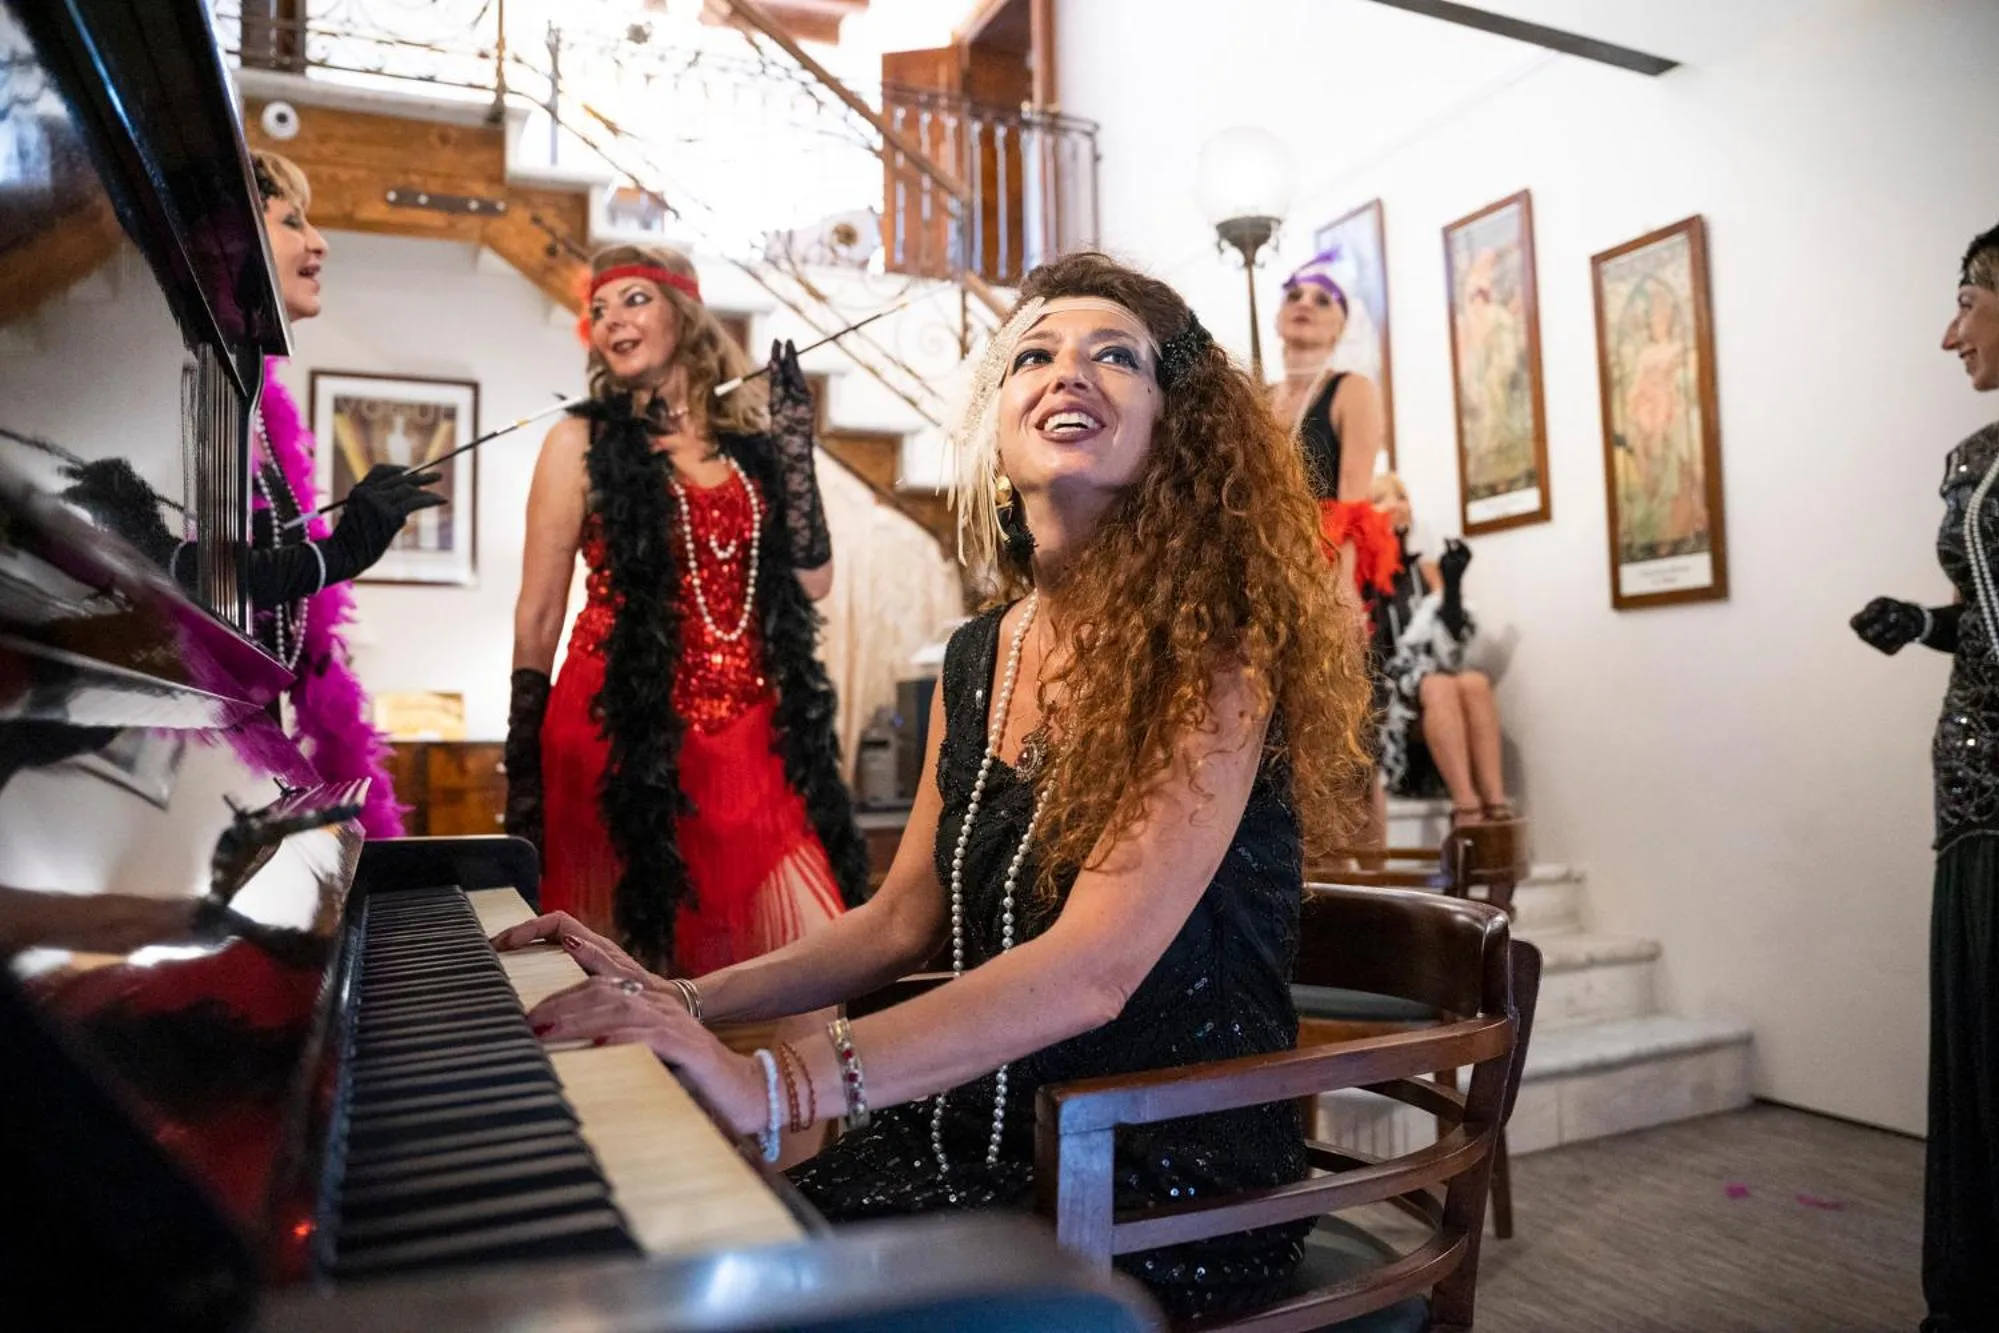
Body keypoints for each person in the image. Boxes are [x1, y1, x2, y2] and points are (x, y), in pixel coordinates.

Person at [495, 252, 1373, 1317]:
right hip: (965, 1149)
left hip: (1153, 1188)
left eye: (1115, 357)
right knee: (673, 1270)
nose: (1067, 372)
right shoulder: (979, 654)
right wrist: (680, 996)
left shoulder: (1218, 649)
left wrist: (775, 1082)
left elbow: (1092, 972)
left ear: (1174, 425)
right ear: (998, 425)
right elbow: (899, 918)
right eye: (1033, 356)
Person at [504, 244, 867, 980]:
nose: (612, 319)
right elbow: (539, 612)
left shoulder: (751, 451)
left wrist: (794, 451)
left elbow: (814, 582)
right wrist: (523, 762)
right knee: (620, 975)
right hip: (616, 733)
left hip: (750, 738)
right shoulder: (577, 442)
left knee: (812, 966)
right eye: (599, 309)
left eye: (634, 299)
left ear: (686, 314)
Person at [64, 151, 436, 838]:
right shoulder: (169, 377)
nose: (319, 243)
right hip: (146, 776)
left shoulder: (243, 398)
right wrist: (335, 556)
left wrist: (335, 550)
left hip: (234, 764)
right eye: (292, 222)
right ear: (225, 239)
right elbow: (160, 573)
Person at [1849, 217, 1999, 1333]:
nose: (1951, 335)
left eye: (1967, 302)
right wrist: (1923, 622)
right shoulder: (1974, 456)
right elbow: (1985, 623)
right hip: (1970, 800)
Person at [1369, 472, 1511, 825]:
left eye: (1401, 496)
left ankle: (1495, 806)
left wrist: (1452, 589)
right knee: (1438, 686)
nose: (1394, 505)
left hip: (1429, 672)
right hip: (1384, 681)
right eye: (1381, 499)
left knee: (1475, 683)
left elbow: (1452, 640)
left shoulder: (1423, 569)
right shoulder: (1359, 570)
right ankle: (1466, 806)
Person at [1270, 247, 1397, 599]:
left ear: (1339, 328)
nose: (1305, 304)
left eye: (1322, 300)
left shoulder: (1352, 390)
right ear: (1277, 318)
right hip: (1263, 570)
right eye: (1294, 296)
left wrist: (1343, 594)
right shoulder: (1260, 399)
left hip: (1321, 575)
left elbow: (1353, 506)